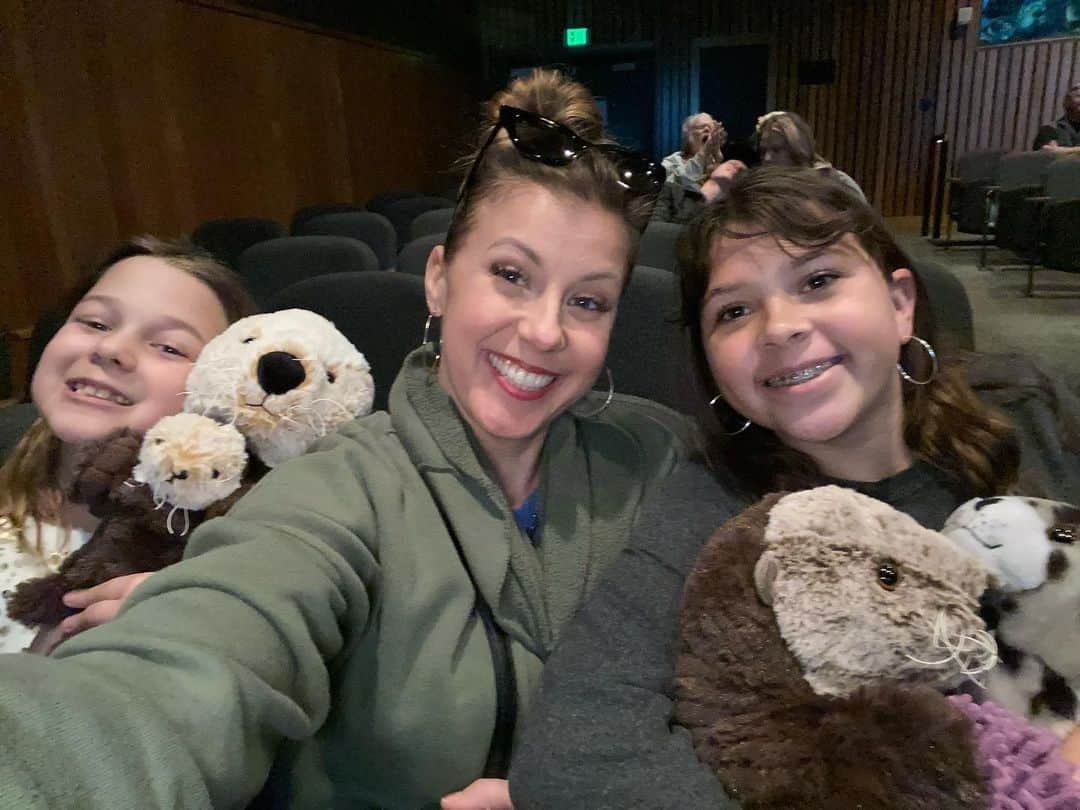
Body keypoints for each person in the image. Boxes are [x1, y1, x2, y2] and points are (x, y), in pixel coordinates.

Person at [0, 69, 683, 809]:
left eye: (587, 300)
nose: (546, 330)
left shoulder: (661, 455)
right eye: (511, 275)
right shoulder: (333, 491)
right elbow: (181, 673)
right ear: (439, 279)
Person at [509, 167, 1080, 808]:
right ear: (713, 365)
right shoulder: (716, 507)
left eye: (817, 281)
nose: (778, 327)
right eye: (734, 311)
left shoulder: (1027, 417)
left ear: (899, 303)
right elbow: (573, 756)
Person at [0, 237, 254, 654]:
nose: (111, 348)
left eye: (169, 347)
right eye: (95, 323)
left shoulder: (217, 558)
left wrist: (199, 624)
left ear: (219, 392)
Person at [756, 110, 867, 201]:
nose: (767, 158)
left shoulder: (838, 183)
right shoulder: (765, 192)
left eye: (776, 150)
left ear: (796, 149)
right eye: (763, 151)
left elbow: (864, 224)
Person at [661, 112, 727, 186]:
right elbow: (680, 184)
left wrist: (717, 159)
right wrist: (703, 152)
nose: (707, 130)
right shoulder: (672, 161)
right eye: (701, 127)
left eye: (711, 128)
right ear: (688, 134)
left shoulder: (720, 162)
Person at [1033, 81, 1080, 154]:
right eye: (1079, 96)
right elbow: (1049, 154)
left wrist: (1064, 151)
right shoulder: (1049, 129)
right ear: (1067, 101)